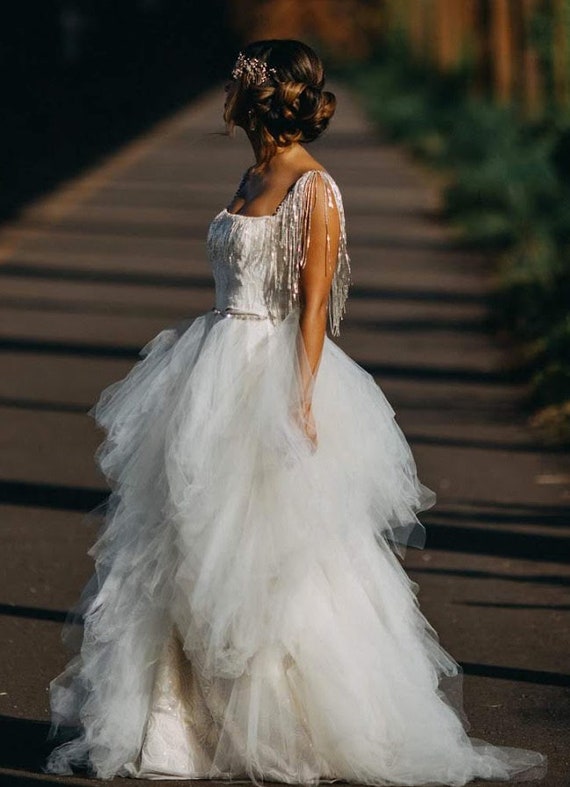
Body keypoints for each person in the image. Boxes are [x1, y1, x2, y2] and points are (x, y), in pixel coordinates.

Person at [45, 39, 547, 785]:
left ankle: (295, 727)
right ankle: (181, 731)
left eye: (238, 86)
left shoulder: (315, 188)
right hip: (209, 366)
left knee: (278, 558)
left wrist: (300, 397)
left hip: (268, 370)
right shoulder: (250, 174)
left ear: (259, 100)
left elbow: (315, 304)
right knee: (189, 546)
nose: (228, 97)